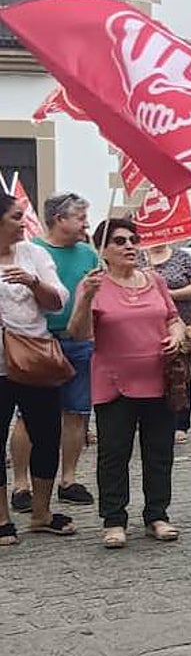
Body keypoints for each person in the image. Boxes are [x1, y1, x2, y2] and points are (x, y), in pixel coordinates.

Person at [68, 218, 184, 548]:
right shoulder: (93, 283)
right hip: (114, 383)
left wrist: (176, 335)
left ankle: (157, 515)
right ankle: (114, 519)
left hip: (158, 379)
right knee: (114, 453)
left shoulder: (156, 280)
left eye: (133, 239)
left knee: (159, 452)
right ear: (102, 250)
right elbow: (78, 333)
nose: (130, 246)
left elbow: (173, 318)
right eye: (119, 241)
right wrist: (86, 299)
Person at [10, 192, 97, 512]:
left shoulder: (89, 253)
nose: (85, 224)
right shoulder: (31, 250)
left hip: (79, 342)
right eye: (80, 218)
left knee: (76, 412)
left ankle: (69, 480)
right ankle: (21, 484)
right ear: (59, 219)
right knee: (28, 416)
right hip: (39, 342)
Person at [0, 192, 72, 546]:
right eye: (16, 217)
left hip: (35, 359)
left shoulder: (34, 254)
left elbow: (58, 301)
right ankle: (2, 519)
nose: (23, 223)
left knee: (46, 435)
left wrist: (32, 282)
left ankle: (41, 513)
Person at [144, 240, 191, 443]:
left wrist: (168, 293)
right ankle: (150, 421)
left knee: (181, 374)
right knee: (151, 374)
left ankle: (180, 423)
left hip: (182, 322)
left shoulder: (182, 257)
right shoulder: (139, 258)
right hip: (148, 325)